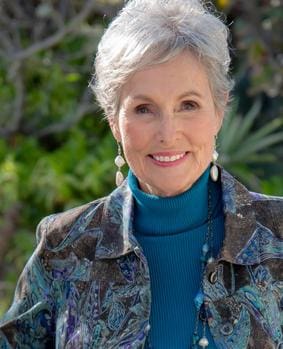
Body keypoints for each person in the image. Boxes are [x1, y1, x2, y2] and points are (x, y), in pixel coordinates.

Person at [0, 0, 282, 348]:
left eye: (188, 105)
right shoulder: (64, 249)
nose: (167, 132)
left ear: (219, 109)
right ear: (113, 119)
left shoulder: (278, 236)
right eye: (144, 109)